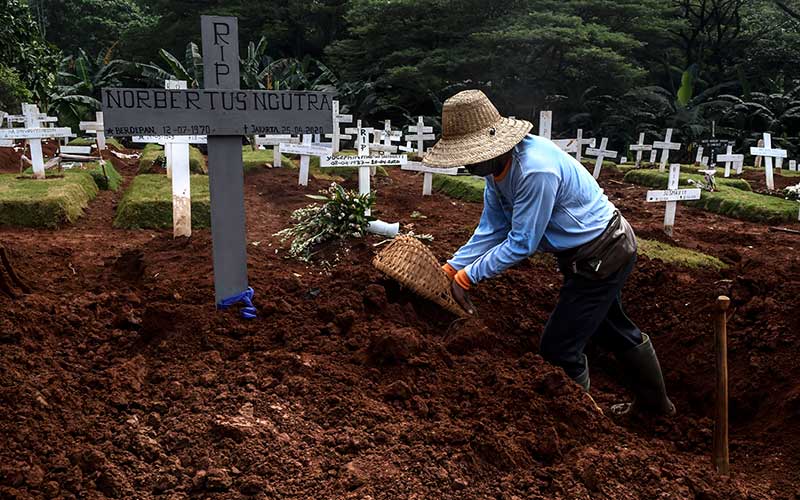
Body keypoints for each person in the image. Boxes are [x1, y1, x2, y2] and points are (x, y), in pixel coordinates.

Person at [423, 90, 675, 416]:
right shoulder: (497, 167)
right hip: (589, 254)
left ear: (494, 146)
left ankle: (582, 425)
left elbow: (522, 242)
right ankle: (656, 406)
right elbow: (492, 227)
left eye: (471, 156)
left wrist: (469, 278)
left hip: (602, 253)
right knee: (609, 326)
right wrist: (452, 267)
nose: (468, 164)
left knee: (559, 348)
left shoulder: (534, 170)